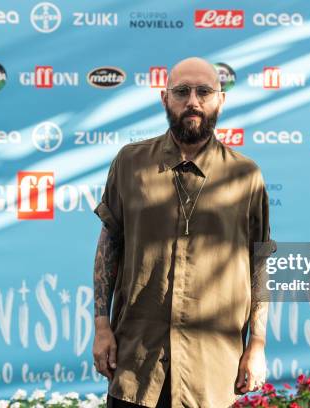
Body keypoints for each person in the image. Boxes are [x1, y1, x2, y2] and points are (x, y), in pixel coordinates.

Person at [92, 57, 276, 408]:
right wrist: (102, 327)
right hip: (137, 364)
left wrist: (258, 345)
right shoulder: (130, 163)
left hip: (211, 369)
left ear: (220, 100)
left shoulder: (246, 175)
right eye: (181, 92)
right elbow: (107, 248)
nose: (193, 101)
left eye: (204, 91)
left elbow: (259, 264)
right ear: (165, 99)